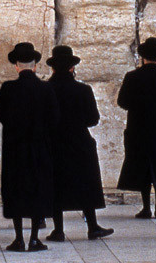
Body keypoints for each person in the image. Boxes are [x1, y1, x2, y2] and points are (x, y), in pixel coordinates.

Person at [44, 46, 114, 242]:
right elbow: (93, 119)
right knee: (86, 183)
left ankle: (58, 230)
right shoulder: (83, 90)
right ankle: (92, 226)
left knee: (57, 185)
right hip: (79, 141)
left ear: (53, 68)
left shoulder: (46, 89)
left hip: (55, 143)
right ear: (72, 67)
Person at [0, 42, 60, 252]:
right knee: (37, 189)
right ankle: (34, 239)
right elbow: (54, 119)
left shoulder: (8, 89)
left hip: (15, 147)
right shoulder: (46, 88)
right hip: (40, 148)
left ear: (16, 65)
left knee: (15, 189)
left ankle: (18, 239)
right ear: (34, 66)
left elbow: (0, 115)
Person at [117, 37, 156, 220]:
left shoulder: (132, 77)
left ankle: (145, 207)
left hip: (139, 129)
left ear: (143, 56)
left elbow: (122, 102)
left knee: (143, 168)